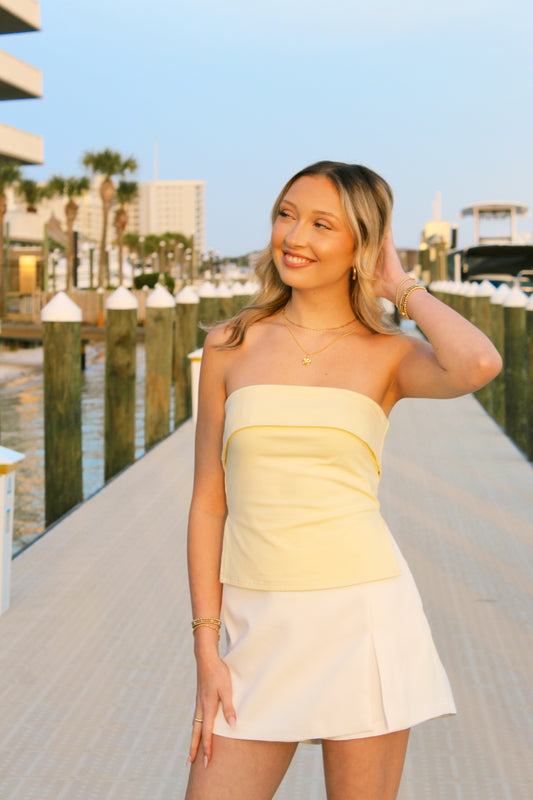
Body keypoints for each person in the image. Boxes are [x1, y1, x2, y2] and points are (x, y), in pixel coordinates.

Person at [184, 161, 502, 800]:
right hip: (255, 625)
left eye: (321, 223)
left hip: (363, 621)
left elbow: (478, 362)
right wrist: (206, 647)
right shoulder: (230, 344)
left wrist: (399, 285)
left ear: (361, 244)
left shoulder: (389, 355)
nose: (293, 236)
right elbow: (207, 504)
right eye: (286, 214)